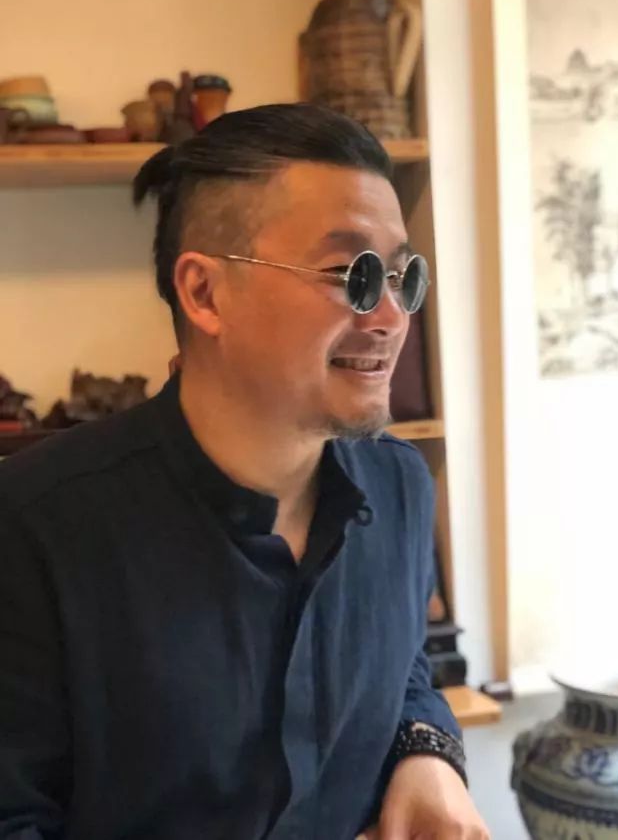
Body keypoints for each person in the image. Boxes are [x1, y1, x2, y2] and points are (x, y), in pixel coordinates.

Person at [0, 103, 489, 839]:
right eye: (351, 274)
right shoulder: (35, 526)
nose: (392, 317)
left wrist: (428, 753)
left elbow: (403, 672)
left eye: (400, 275)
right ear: (205, 293)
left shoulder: (401, 488)